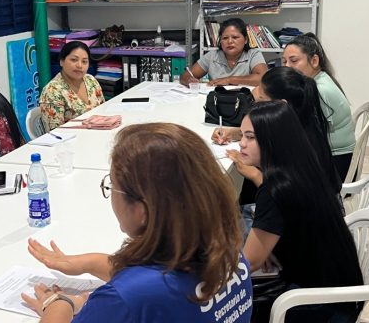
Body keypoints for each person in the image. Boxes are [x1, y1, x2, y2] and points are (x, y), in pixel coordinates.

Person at [21, 123, 253, 323]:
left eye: (112, 185)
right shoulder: (225, 248)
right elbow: (161, 286)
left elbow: (138, 293)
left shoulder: (125, 299)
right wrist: (89, 263)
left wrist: (57, 304)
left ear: (142, 210)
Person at [236, 102, 363, 323]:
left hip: (318, 303)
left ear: (272, 140)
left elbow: (249, 262)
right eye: (241, 135)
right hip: (338, 289)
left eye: (250, 137)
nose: (241, 144)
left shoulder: (274, 189)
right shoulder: (300, 168)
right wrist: (272, 248)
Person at [212, 67, 343, 235]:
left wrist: (252, 173)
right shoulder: (302, 122)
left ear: (280, 106)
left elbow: (284, 196)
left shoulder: (299, 146)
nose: (256, 102)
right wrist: (236, 133)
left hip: (302, 227)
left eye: (261, 101)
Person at [281, 33, 355, 182]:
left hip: (336, 168)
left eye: (293, 61)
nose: (287, 67)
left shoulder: (320, 90)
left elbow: (293, 131)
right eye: (284, 61)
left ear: (314, 61)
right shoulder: (319, 79)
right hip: (333, 159)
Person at [180, 18, 268, 87]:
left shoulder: (253, 54)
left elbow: (262, 78)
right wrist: (189, 80)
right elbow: (185, 76)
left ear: (245, 40)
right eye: (225, 38)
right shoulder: (213, 55)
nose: (230, 41)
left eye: (235, 37)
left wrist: (230, 80)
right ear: (220, 41)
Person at [39, 41, 105, 130]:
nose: (79, 65)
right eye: (74, 60)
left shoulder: (91, 80)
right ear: (61, 61)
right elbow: (55, 133)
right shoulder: (52, 91)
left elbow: (103, 111)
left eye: (84, 61)